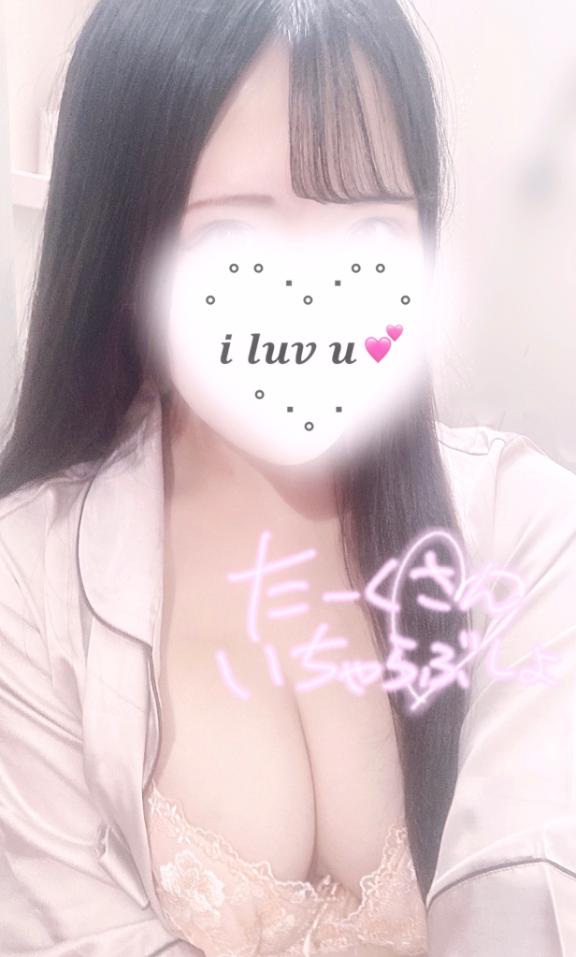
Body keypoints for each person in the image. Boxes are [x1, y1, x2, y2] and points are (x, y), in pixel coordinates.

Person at [1, 1, 575, 955]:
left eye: (371, 237)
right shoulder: (26, 583)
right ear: (121, 250)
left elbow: (534, 899)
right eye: (234, 241)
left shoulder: (530, 526)